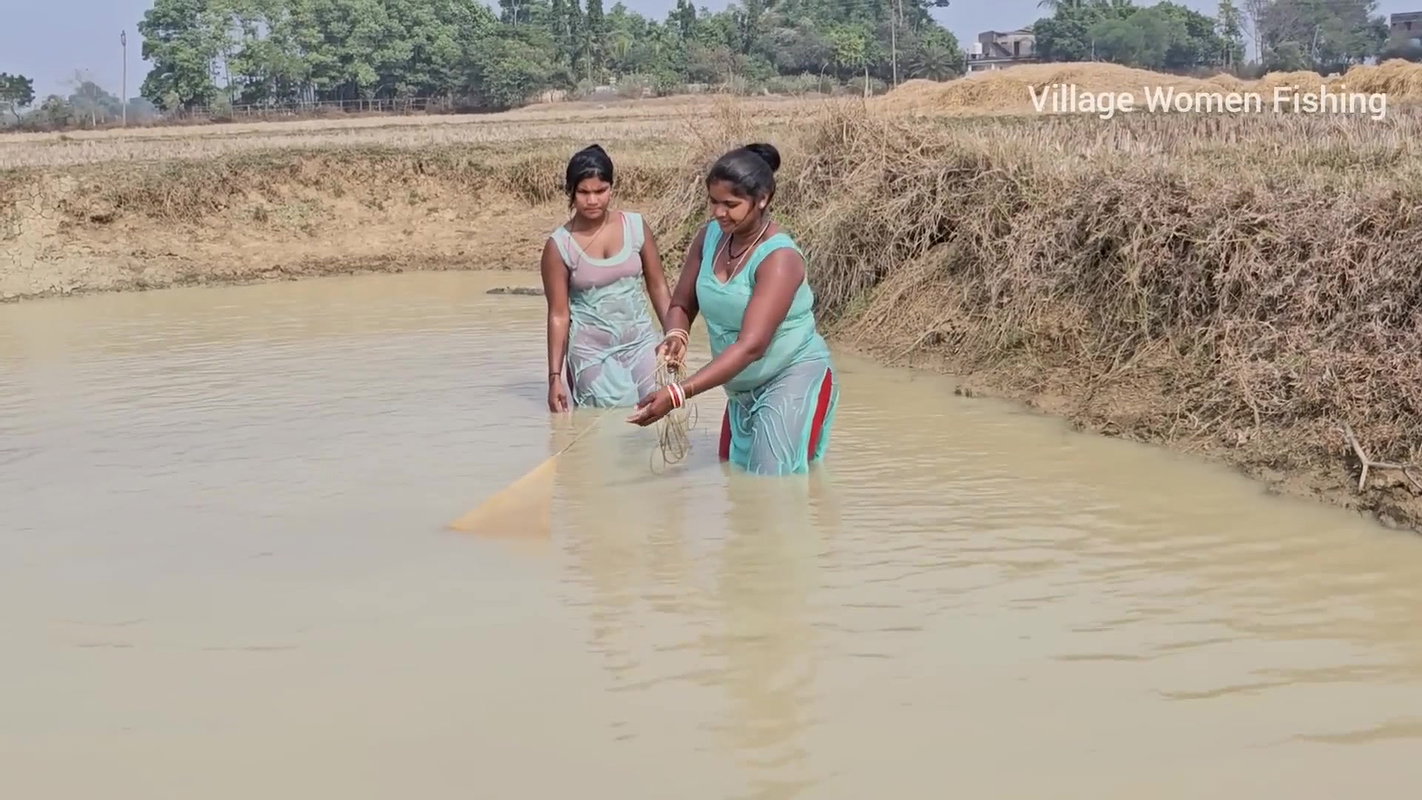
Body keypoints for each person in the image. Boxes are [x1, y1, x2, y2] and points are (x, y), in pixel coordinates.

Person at [626, 142, 840, 476]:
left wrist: (678, 393)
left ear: (763, 199)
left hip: (790, 376)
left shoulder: (779, 258)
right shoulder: (709, 236)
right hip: (741, 389)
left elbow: (752, 345)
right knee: (736, 480)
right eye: (713, 202)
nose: (718, 213)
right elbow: (682, 303)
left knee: (773, 485)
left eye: (731, 204)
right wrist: (676, 334)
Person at [542, 144, 672, 412]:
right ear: (571, 192)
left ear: (612, 188)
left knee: (657, 410)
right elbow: (558, 314)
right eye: (584, 192)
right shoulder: (559, 246)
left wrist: (674, 334)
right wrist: (555, 377)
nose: (593, 200)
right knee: (604, 428)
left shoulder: (636, 227)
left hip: (641, 343)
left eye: (601, 191)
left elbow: (658, 285)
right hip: (591, 354)